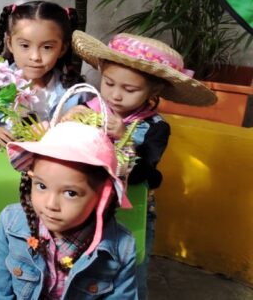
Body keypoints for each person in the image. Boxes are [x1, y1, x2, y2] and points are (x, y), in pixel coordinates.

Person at [67, 31, 216, 299]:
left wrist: (124, 137)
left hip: (131, 208)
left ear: (153, 90)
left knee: (130, 268)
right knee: (81, 267)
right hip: (83, 205)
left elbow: (143, 173)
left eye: (129, 90)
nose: (116, 95)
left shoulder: (155, 128)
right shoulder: (85, 106)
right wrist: (66, 122)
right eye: (109, 83)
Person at [0, 91, 138, 299]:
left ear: (103, 196)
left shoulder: (121, 247)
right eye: (41, 186)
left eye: (70, 193)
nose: (51, 204)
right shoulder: (11, 223)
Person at [0, 1, 82, 149]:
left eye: (47, 47)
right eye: (25, 45)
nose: (35, 57)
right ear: (10, 43)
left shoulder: (72, 93)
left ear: (62, 49)